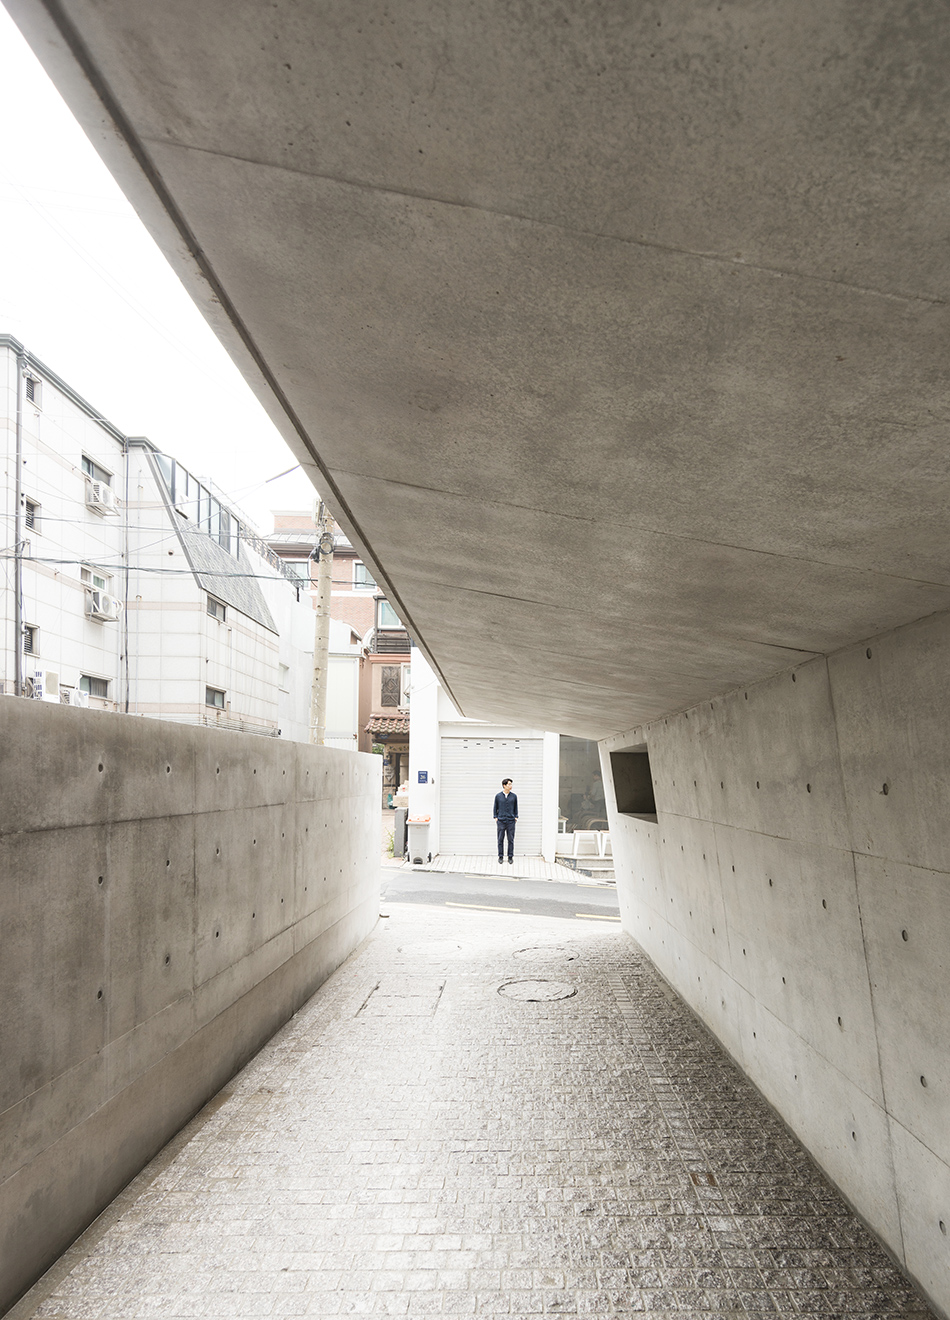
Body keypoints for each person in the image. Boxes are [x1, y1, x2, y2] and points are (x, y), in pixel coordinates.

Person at [493, 777, 518, 864]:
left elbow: (515, 807)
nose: (511, 786)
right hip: (501, 821)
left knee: (511, 839)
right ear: (504, 785)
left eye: (511, 784)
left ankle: (510, 857)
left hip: (511, 821)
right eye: (509, 784)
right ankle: (500, 856)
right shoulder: (498, 796)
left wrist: (516, 817)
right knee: (500, 839)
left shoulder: (514, 796)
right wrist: (496, 817)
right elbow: (495, 807)